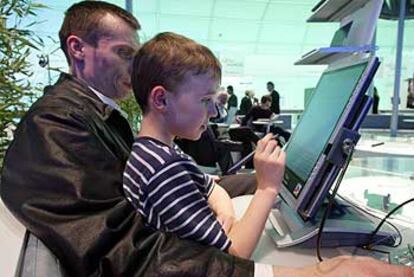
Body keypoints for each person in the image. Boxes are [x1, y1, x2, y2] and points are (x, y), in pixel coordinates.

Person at [0, 1, 412, 276]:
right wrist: (265, 216)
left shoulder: (96, 116)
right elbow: (123, 249)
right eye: (127, 53)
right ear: (78, 49)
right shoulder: (60, 124)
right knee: (349, 268)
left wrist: (265, 183)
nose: (137, 64)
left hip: (199, 251)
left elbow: (179, 190)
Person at [123, 32, 285, 259]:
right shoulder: (164, 167)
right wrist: (267, 188)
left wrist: (226, 210)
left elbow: (209, 186)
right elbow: (236, 253)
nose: (214, 111)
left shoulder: (158, 151)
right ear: (160, 99)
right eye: (205, 100)